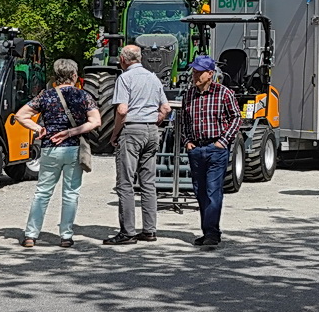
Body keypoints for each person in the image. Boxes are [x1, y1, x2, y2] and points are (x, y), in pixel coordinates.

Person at [15, 59, 100, 248]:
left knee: (42, 193)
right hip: (73, 148)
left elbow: (20, 115)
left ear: (55, 76)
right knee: (71, 193)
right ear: (74, 75)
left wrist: (38, 129)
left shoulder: (45, 96)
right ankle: (66, 236)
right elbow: (95, 121)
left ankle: (30, 235)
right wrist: (72, 132)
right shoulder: (83, 96)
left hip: (50, 148)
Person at [105, 44, 170, 245]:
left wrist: (115, 134)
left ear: (123, 60)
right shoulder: (153, 77)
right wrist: (154, 121)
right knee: (148, 183)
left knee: (125, 183)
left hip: (132, 130)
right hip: (152, 130)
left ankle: (128, 232)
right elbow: (166, 108)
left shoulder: (124, 78)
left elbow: (122, 111)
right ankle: (149, 230)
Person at [180, 54, 240, 249]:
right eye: (194, 71)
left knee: (213, 190)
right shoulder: (189, 95)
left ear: (210, 74)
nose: (194, 75)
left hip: (216, 148)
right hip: (196, 149)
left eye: (199, 72)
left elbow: (236, 118)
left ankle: (212, 234)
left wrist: (223, 142)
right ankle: (207, 231)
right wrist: (187, 142)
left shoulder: (224, 93)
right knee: (200, 192)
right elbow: (184, 122)